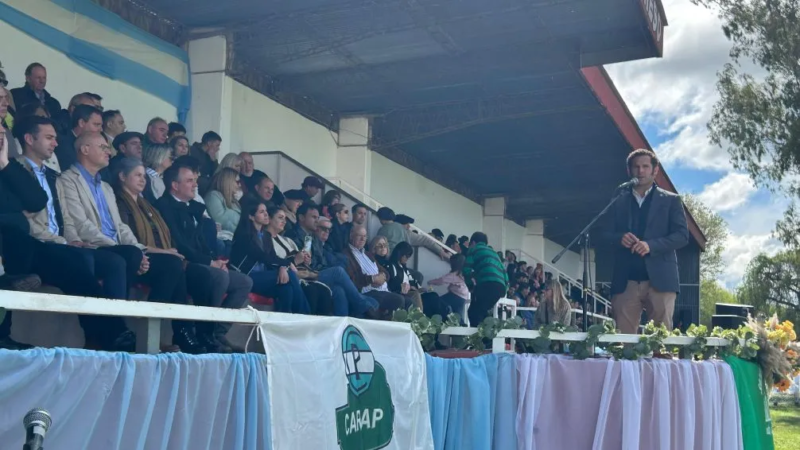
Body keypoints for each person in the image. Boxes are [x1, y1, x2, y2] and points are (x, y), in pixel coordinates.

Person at [111, 157, 206, 353]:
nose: (143, 180)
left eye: (144, 176)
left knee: (177, 267)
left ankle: (182, 333)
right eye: (137, 175)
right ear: (122, 176)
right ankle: (156, 329)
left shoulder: (146, 204)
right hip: (135, 256)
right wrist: (163, 252)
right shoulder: (119, 202)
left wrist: (167, 252)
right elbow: (127, 238)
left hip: (155, 255)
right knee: (173, 265)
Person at [156, 164, 253, 352]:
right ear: (175, 185)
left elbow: (202, 242)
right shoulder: (164, 206)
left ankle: (217, 332)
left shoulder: (195, 208)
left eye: (195, 180)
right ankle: (204, 333)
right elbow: (179, 243)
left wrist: (216, 261)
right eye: (190, 181)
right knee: (218, 277)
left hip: (202, 262)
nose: (195, 185)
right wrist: (210, 263)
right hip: (183, 263)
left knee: (244, 282)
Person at [602, 148, 689, 334]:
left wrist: (651, 245)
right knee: (623, 342)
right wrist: (619, 238)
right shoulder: (618, 199)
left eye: (645, 166)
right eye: (636, 167)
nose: (640, 171)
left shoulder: (671, 200)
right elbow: (604, 234)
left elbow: (682, 235)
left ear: (655, 170)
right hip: (625, 280)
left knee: (661, 341)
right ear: (629, 170)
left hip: (661, 281)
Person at [229, 200, 310, 314]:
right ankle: (305, 315)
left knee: (286, 288)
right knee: (291, 275)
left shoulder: (266, 235)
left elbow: (272, 257)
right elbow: (262, 256)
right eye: (262, 212)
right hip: (246, 276)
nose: (266, 214)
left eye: (266, 211)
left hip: (264, 276)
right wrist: (286, 264)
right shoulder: (244, 235)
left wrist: (282, 267)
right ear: (251, 216)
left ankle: (285, 320)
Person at [343, 225, 405, 318]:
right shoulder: (346, 254)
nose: (363, 239)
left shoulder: (367, 254)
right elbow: (352, 278)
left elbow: (385, 272)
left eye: (365, 236)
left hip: (383, 289)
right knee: (398, 300)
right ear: (351, 236)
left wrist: (382, 276)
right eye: (359, 236)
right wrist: (372, 279)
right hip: (368, 292)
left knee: (409, 302)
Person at [463, 231, 508, 326]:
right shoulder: (494, 253)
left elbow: (466, 270)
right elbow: (505, 273)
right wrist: (505, 289)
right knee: (482, 311)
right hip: (500, 287)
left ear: (473, 242)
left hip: (487, 284)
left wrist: (471, 287)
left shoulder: (473, 249)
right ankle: (488, 330)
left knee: (473, 312)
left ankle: (481, 334)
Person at [428, 254, 469, 325]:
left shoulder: (455, 275)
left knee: (438, 302)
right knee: (457, 313)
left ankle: (439, 321)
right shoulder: (463, 274)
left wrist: (431, 282)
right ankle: (461, 325)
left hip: (455, 295)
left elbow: (442, 280)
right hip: (463, 297)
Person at [204, 168, 242, 233]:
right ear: (228, 181)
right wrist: (241, 232)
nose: (240, 185)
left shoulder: (233, 200)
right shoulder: (213, 196)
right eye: (237, 182)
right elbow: (221, 221)